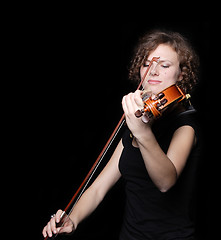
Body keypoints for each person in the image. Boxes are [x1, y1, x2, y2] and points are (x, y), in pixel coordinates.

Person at [42, 30, 201, 240]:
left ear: (181, 75)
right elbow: (100, 187)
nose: (152, 71)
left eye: (164, 65)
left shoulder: (185, 126)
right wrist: (74, 218)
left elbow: (165, 181)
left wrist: (142, 132)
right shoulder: (137, 121)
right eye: (147, 64)